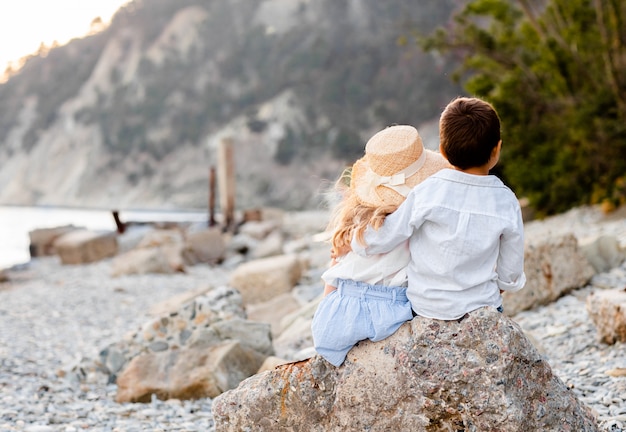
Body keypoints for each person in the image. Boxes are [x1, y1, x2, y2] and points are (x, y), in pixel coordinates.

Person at [351, 97, 526, 320]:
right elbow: (511, 270)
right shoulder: (506, 201)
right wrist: (502, 285)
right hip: (482, 307)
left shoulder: (428, 191)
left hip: (426, 308)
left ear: (442, 150)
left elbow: (384, 237)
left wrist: (356, 240)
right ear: (497, 149)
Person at [311, 125, 451, 367]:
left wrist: (325, 317)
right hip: (392, 311)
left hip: (339, 311)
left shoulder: (352, 224)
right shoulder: (416, 224)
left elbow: (333, 276)